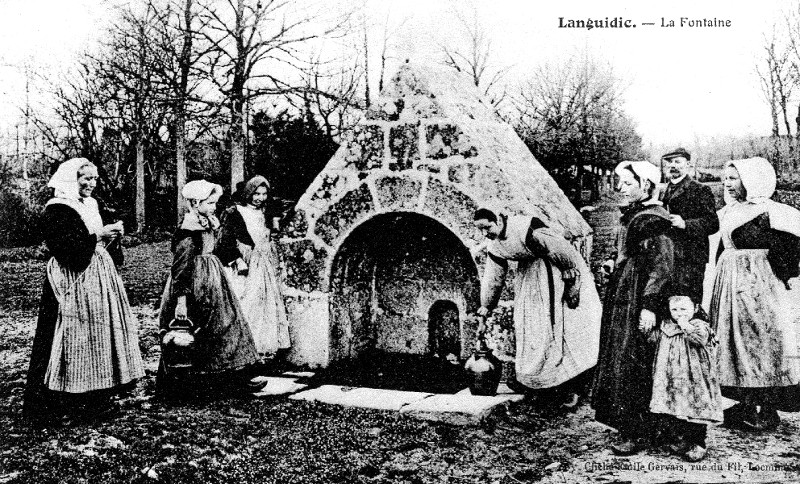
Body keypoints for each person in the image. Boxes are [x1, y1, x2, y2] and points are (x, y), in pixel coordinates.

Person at [23, 158, 144, 424]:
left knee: (97, 334)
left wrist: (112, 238)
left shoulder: (91, 204)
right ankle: (61, 400)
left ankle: (95, 394)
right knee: (70, 335)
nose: (91, 183)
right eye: (85, 178)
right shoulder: (58, 209)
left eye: (94, 179)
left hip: (97, 276)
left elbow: (98, 243)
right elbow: (66, 251)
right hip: (70, 280)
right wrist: (99, 235)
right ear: (70, 179)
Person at [473, 207, 602, 408]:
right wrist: (485, 308)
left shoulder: (526, 229)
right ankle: (537, 383)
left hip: (555, 273)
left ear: (498, 219)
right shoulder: (495, 245)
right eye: (480, 230)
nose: (485, 233)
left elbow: (563, 251)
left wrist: (572, 285)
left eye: (487, 227)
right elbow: (493, 279)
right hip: (528, 281)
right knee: (531, 328)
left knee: (562, 327)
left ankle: (570, 387)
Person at [709, 157, 800, 430]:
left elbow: (792, 248)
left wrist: (780, 276)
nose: (727, 183)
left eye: (734, 178)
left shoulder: (774, 211)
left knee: (761, 339)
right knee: (733, 340)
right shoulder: (728, 211)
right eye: (726, 177)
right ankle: (746, 403)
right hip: (729, 281)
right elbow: (721, 248)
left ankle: (768, 408)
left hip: (759, 285)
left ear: (752, 180)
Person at [592, 161, 674, 455]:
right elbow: (624, 252)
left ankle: (640, 431)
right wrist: (611, 265)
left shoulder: (654, 219)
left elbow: (662, 267)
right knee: (620, 356)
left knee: (635, 360)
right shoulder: (633, 215)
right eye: (620, 182)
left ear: (647, 185)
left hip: (640, 297)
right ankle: (628, 425)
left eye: (628, 183)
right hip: (624, 293)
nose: (621, 188)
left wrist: (650, 306)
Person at [156, 180, 264, 398]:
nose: (214, 207)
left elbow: (218, 249)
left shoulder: (208, 222)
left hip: (214, 279)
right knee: (195, 330)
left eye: (215, 202)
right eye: (210, 203)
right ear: (196, 203)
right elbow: (181, 267)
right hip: (194, 283)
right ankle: (196, 383)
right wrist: (181, 300)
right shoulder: (189, 230)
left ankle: (232, 378)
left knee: (227, 325)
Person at [216, 175, 291, 359]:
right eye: (256, 193)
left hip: (264, 262)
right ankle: (244, 348)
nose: (260, 198)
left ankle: (262, 348)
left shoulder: (266, 212)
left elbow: (271, 231)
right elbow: (225, 240)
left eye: (264, 194)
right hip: (246, 264)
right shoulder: (236, 212)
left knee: (266, 303)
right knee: (247, 302)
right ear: (248, 193)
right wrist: (238, 260)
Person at [649, 293, 723, 462]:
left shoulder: (698, 325)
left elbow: (699, 339)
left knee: (695, 410)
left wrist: (685, 325)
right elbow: (656, 341)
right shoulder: (666, 326)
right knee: (675, 408)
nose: (679, 313)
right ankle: (681, 441)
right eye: (674, 309)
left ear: (695, 308)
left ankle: (698, 443)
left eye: (683, 309)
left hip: (692, 378)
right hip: (672, 378)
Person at [660, 148, 719, 303]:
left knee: (688, 304)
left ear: (688, 164)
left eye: (677, 162)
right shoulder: (662, 191)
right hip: (667, 255)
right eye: (670, 162)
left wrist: (685, 224)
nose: (673, 165)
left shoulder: (700, 189)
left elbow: (713, 223)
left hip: (691, 258)